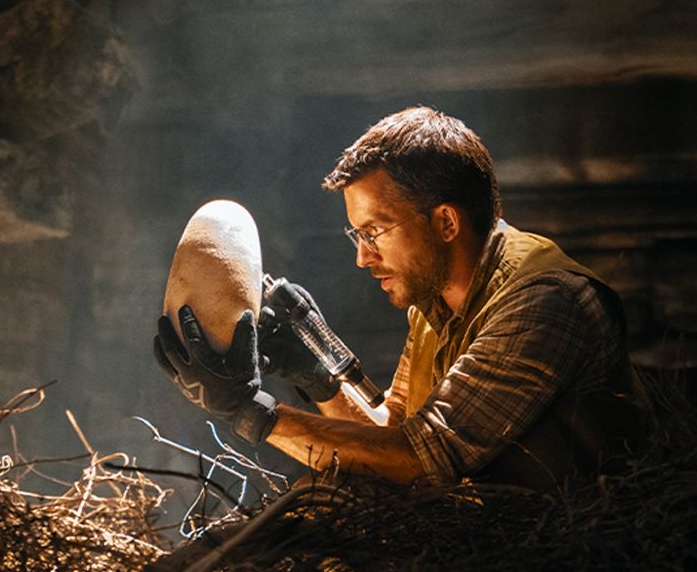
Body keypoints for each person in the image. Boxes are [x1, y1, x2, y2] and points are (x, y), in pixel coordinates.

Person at [155, 106, 648, 490]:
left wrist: (251, 411)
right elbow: (390, 435)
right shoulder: (434, 307)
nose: (362, 257)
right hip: (495, 539)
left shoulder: (544, 302)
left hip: (572, 553)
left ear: (446, 222)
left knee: (320, 502)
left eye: (374, 232)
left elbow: (421, 461)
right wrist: (319, 375)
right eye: (357, 235)